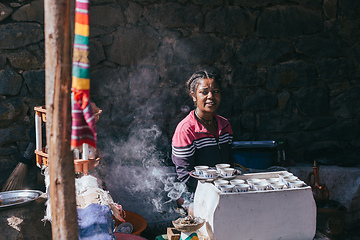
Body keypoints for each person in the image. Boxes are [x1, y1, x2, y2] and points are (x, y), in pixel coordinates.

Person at [171, 66, 233, 214]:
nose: (211, 96)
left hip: (221, 189)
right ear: (194, 96)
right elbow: (184, 177)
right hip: (193, 194)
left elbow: (228, 163)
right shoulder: (186, 129)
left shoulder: (225, 125)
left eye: (215, 91)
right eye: (204, 92)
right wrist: (211, 193)